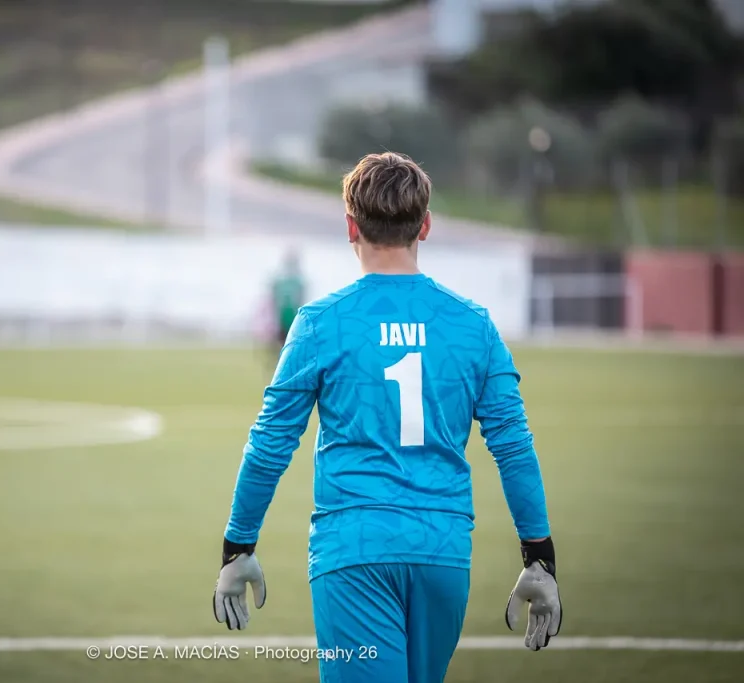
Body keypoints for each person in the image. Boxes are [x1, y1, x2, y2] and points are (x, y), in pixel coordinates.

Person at [212, 153, 561, 683]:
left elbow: (270, 443)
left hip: (353, 551)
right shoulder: (474, 325)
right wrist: (539, 556)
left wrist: (239, 545)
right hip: (443, 554)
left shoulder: (320, 323)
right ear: (425, 225)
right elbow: (512, 444)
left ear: (350, 226)